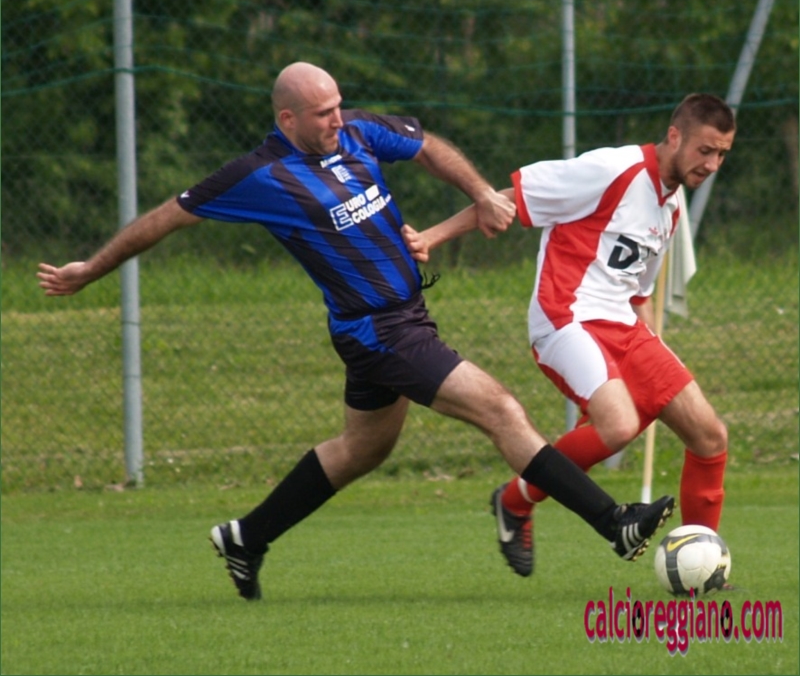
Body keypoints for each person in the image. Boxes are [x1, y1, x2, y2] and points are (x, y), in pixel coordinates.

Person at [38, 62, 674, 601]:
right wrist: (91, 269)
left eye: (338, 106)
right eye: (322, 114)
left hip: (401, 319)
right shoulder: (259, 175)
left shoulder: (357, 132)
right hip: (380, 331)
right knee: (501, 409)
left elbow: (427, 146)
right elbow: (166, 218)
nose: (336, 119)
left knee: (362, 450)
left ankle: (245, 538)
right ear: (288, 119)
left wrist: (481, 192)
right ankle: (613, 522)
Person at [402, 93, 734, 578]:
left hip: (622, 325)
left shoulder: (671, 206)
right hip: (565, 317)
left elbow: (637, 293)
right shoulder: (613, 170)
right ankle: (516, 501)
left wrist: (653, 362)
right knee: (618, 427)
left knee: (709, 435)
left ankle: (705, 570)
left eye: (722, 154)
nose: (713, 164)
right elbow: (507, 200)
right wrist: (431, 236)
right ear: (674, 136)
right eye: (705, 150)